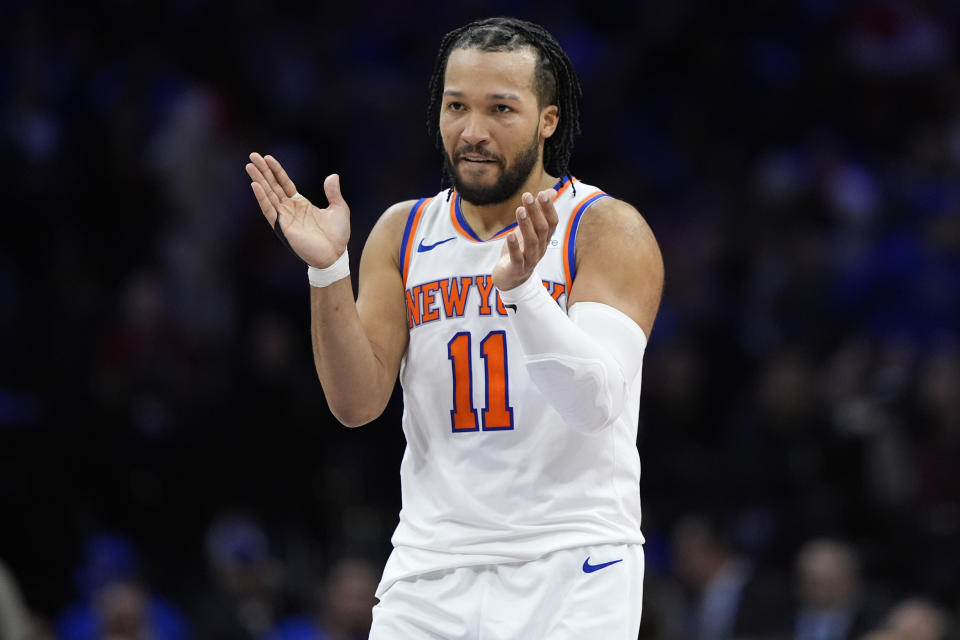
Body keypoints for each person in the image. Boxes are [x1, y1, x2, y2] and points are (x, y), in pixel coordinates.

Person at [245, 16, 663, 638]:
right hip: (432, 565)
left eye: (501, 109)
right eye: (456, 107)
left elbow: (595, 403)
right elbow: (357, 404)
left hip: (572, 561)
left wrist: (523, 292)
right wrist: (329, 271)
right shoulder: (402, 231)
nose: (473, 132)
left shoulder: (605, 229)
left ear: (548, 119)